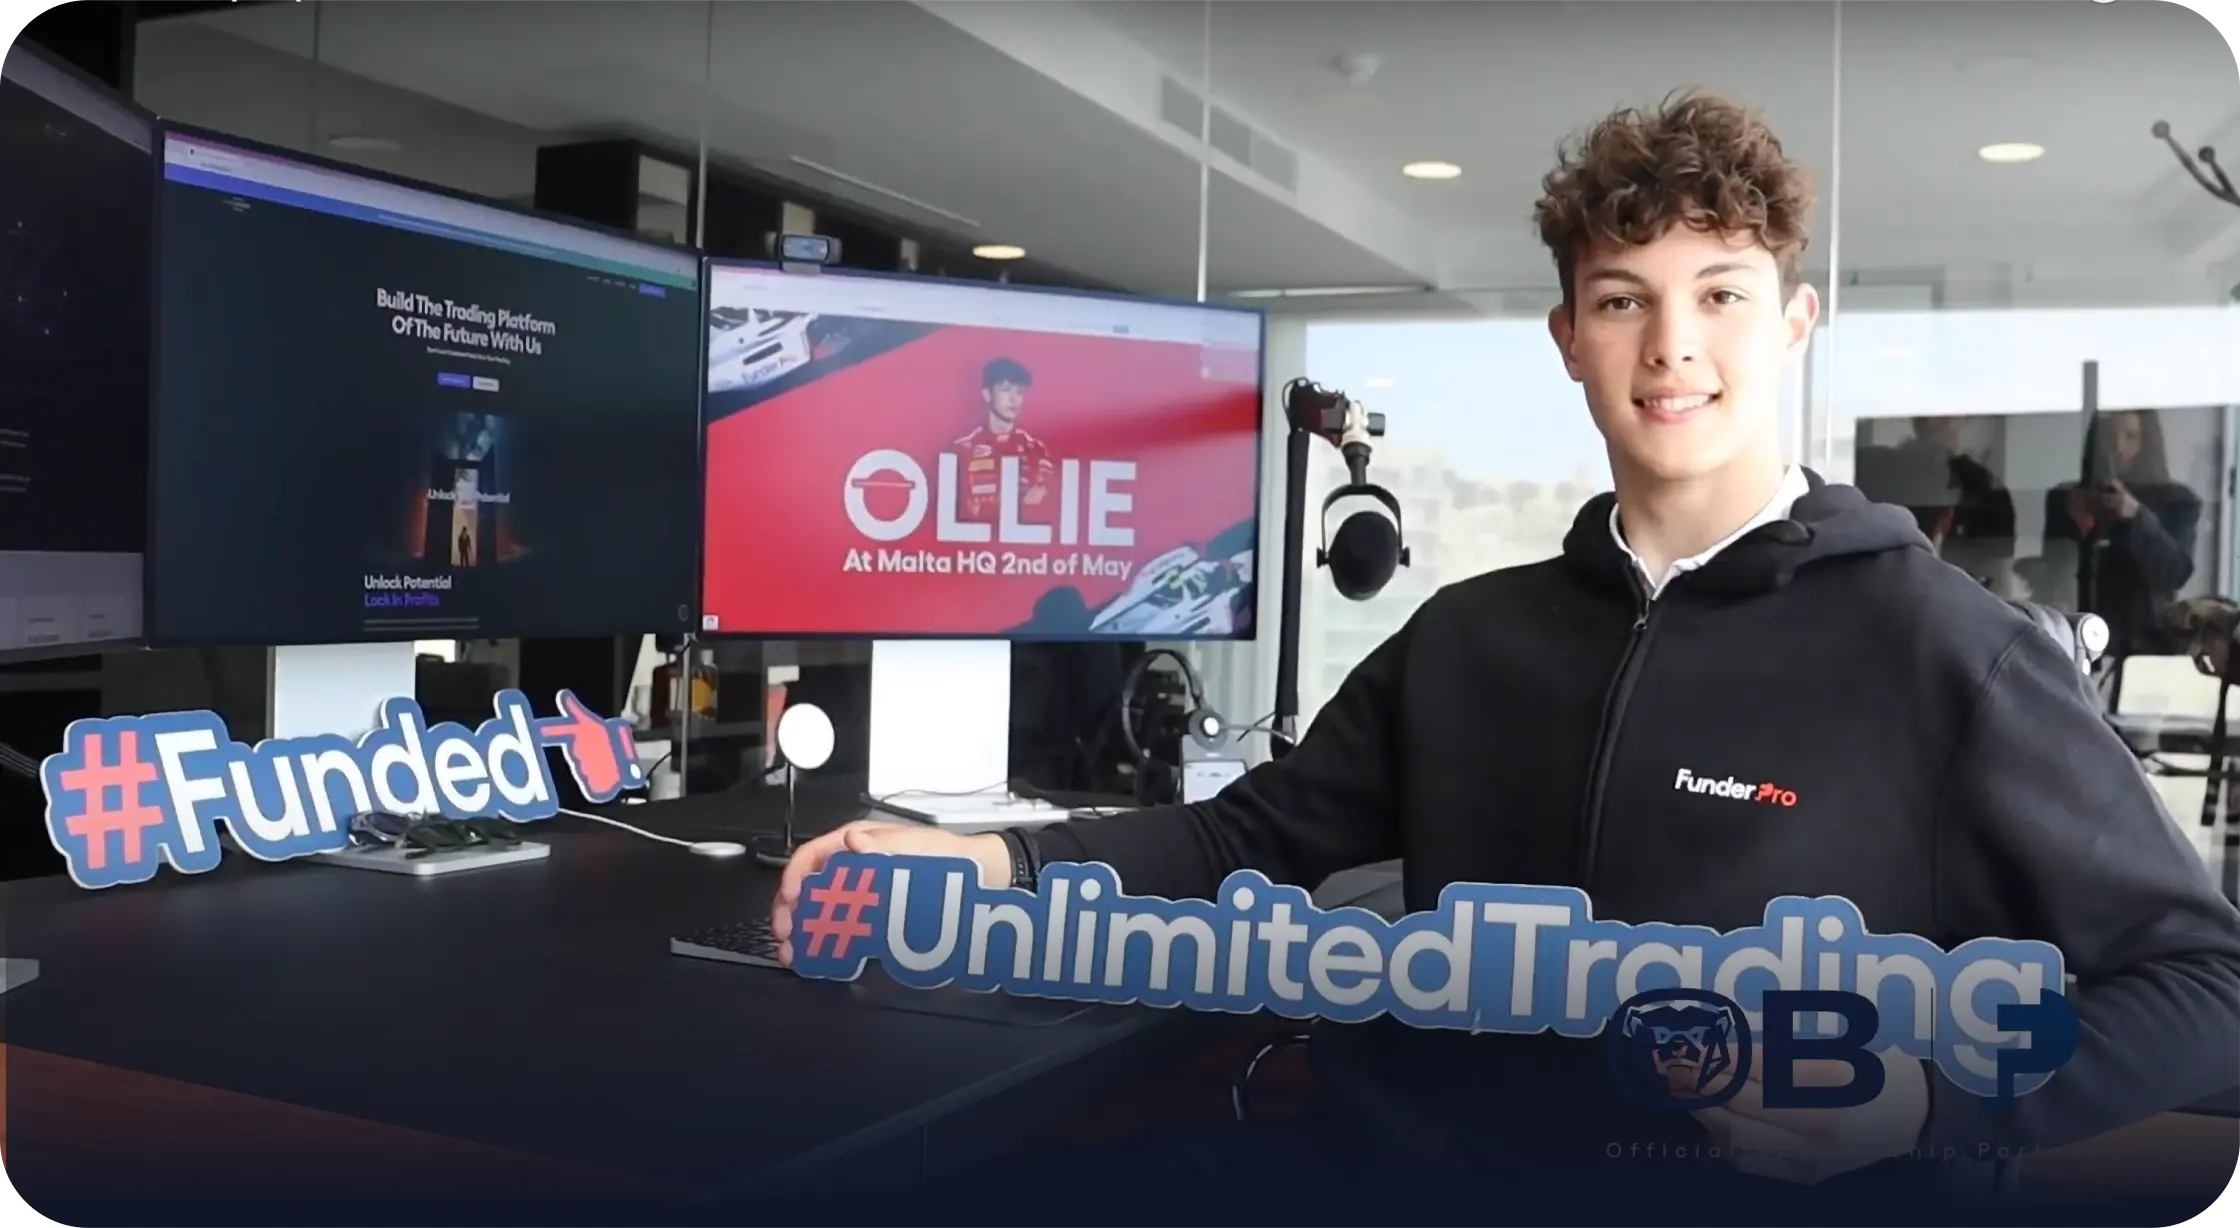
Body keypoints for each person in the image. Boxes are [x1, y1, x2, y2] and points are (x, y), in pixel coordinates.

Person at [771, 93, 2240, 1220]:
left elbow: (2200, 985)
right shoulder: (1468, 637)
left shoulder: (1950, 652)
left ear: (1791, 324)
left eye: (1720, 292)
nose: (1674, 344)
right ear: (1568, 337)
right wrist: (997, 869)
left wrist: (1927, 1102)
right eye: (1624, 300)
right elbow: (1246, 839)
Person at [2043, 409, 2203, 658]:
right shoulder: (2065, 498)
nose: (2118, 447)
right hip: (2074, 636)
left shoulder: (2176, 501)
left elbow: (2175, 573)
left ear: (2147, 443)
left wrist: (2137, 517)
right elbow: (2053, 576)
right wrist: (2076, 526)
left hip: (2144, 645)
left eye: (2130, 437)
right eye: (2109, 435)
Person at [955, 356, 1055, 520]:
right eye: (1006, 389)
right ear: (987, 394)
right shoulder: (964, 450)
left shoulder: (1036, 451)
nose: (1014, 399)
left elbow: (1047, 504)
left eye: (1020, 391)